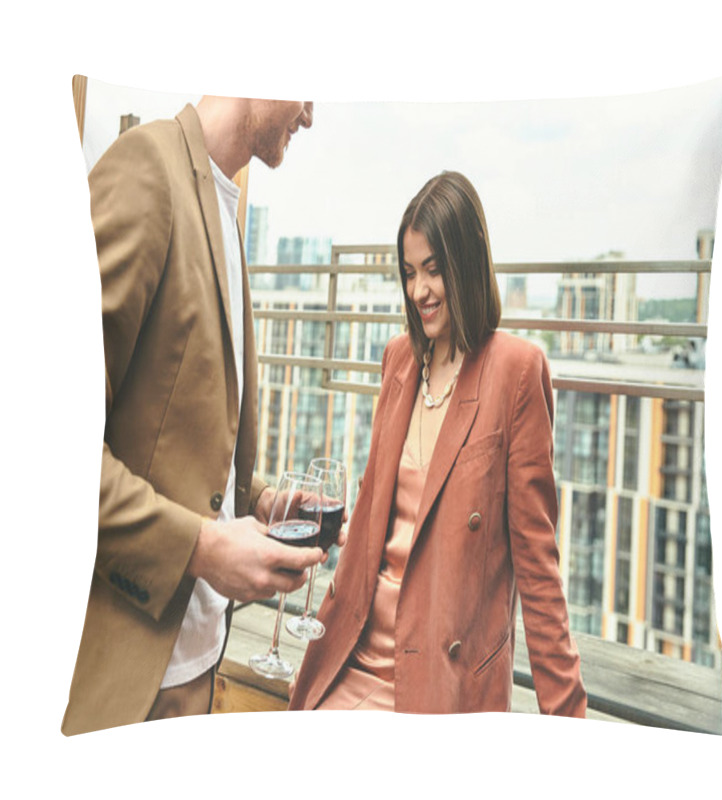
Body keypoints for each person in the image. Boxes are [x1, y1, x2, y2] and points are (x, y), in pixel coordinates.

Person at [62, 95, 324, 735]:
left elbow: (173, 429)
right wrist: (202, 549)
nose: (311, 114)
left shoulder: (225, 209)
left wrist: (258, 500)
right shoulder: (146, 169)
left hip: (197, 670)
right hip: (122, 685)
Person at [289, 171, 587, 716]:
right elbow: (374, 516)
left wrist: (568, 723)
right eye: (408, 273)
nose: (418, 290)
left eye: (433, 269)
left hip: (437, 684)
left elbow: (538, 566)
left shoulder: (516, 371)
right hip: (352, 648)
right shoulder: (400, 359)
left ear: (467, 264)